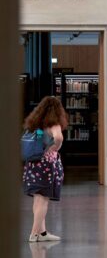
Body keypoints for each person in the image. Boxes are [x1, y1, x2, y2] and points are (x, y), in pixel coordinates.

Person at [23, 96, 67, 242]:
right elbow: (59, 138)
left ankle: (42, 233)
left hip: (33, 163)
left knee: (38, 199)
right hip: (46, 166)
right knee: (43, 200)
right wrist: (54, 148)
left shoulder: (35, 123)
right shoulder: (54, 124)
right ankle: (34, 234)